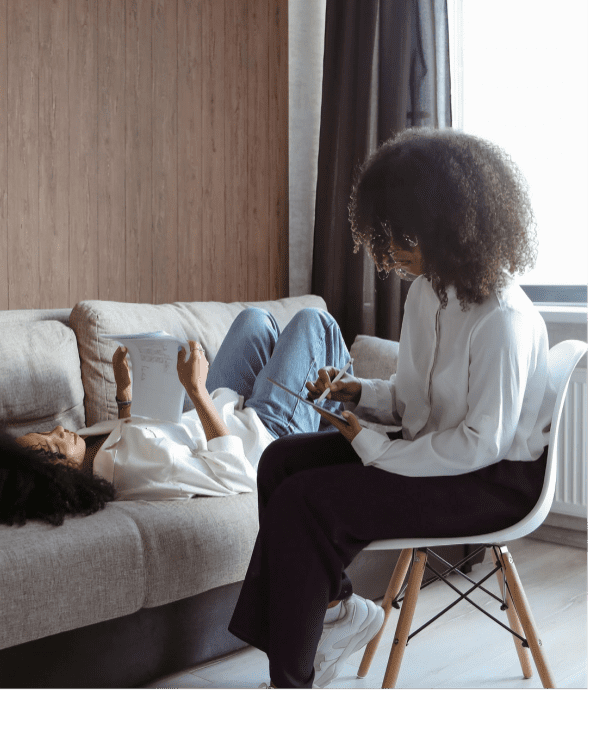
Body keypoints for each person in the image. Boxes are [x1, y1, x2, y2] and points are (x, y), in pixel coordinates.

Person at [228, 127, 553, 689]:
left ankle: (292, 678)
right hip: (435, 453)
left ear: (448, 226)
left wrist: (372, 446)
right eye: (388, 236)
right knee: (279, 462)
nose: (393, 253)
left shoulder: (503, 318)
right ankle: (335, 614)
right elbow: (412, 400)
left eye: (404, 237)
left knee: (309, 499)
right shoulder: (428, 291)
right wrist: (358, 392)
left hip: (491, 481)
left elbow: (481, 443)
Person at [0, 306, 355, 522]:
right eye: (52, 445)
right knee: (313, 323)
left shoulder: (89, 451)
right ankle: (329, 439)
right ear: (59, 476)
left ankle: (306, 396)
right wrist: (194, 389)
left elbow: (140, 436)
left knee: (255, 321)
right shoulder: (133, 474)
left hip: (213, 412)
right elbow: (234, 473)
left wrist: (125, 396)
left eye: (44, 432)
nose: (60, 431)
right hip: (262, 435)